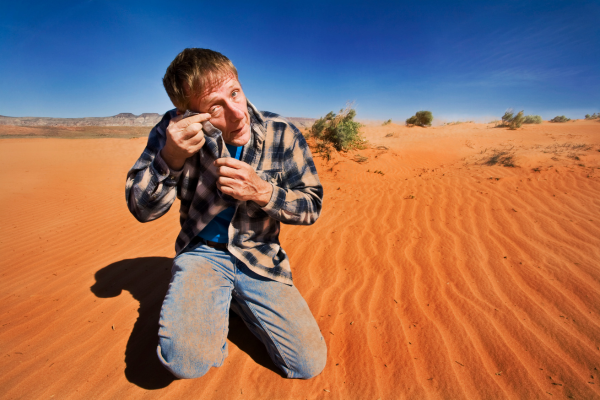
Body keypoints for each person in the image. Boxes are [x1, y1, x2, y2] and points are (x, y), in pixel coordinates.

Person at [125, 48, 326, 380]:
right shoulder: (172, 132)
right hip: (203, 253)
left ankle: (235, 301)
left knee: (307, 364)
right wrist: (170, 158)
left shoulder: (282, 133)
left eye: (235, 92)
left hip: (258, 254)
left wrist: (264, 192)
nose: (238, 113)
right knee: (184, 363)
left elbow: (312, 205)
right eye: (215, 106)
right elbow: (141, 208)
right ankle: (213, 296)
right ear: (188, 113)